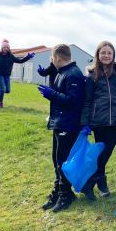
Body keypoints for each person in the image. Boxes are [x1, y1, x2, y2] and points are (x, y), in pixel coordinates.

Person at [80, 41, 116, 201]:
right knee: (101, 154)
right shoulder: (91, 75)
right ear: (97, 54)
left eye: (109, 53)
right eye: (103, 52)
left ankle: (90, 183)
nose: (106, 55)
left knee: (105, 153)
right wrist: (85, 123)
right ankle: (99, 183)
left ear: (113, 55)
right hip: (98, 121)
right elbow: (87, 101)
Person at [37, 44, 85, 211]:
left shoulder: (74, 74)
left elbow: (73, 100)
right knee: (56, 159)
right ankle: (58, 191)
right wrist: (52, 93)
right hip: (59, 121)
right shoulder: (61, 73)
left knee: (62, 160)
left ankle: (66, 195)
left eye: (52, 59)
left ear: (56, 57)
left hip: (68, 124)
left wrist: (52, 94)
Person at [0, 39, 35, 108]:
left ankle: (1, 90)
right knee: (3, 89)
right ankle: (0, 102)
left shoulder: (11, 56)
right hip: (0, 75)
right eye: (4, 47)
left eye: (7, 47)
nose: (6, 49)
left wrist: (27, 57)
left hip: (7, 75)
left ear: (9, 48)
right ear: (2, 48)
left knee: (7, 90)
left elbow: (20, 61)